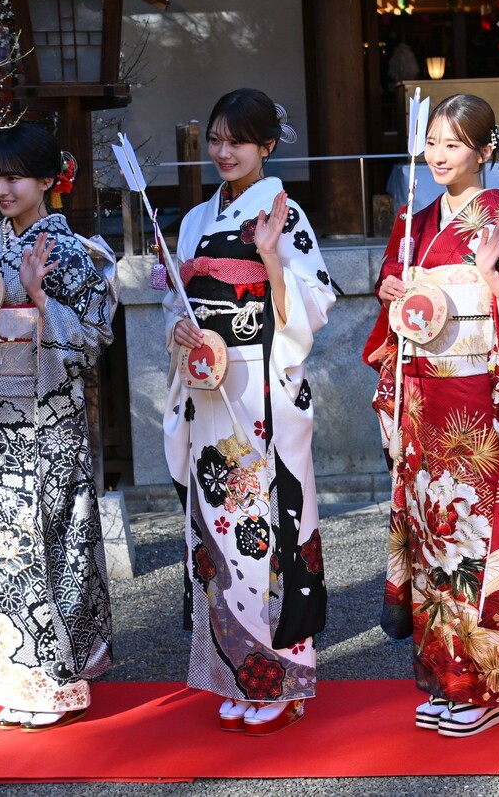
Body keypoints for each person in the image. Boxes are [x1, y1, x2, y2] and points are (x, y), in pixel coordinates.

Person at [365, 93, 499, 737]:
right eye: (432, 142)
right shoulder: (413, 222)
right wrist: (391, 291)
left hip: (479, 405)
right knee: (433, 539)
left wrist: (488, 276)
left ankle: (486, 687)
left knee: (481, 539)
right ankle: (445, 681)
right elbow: (396, 309)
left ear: (484, 150)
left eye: (453, 144)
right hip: (424, 401)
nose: (439, 155)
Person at [0, 123, 117, 731]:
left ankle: (55, 683)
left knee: (44, 541)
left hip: (45, 419)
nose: (2, 189)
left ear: (46, 181)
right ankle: (13, 678)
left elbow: (95, 337)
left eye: (14, 177)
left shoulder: (72, 252)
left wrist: (41, 299)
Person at [163, 89, 334, 736]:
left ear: (266, 145)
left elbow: (315, 303)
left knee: (270, 530)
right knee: (219, 534)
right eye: (215, 139)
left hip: (261, 386)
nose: (223, 151)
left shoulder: (284, 212)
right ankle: (234, 674)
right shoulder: (194, 219)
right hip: (210, 388)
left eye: (237, 140)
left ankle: (284, 678)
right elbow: (180, 302)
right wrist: (181, 329)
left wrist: (267, 257)